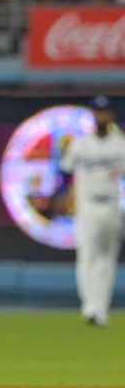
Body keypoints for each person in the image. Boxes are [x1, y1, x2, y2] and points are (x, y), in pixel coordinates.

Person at [60, 95, 125, 327]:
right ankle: (90, 308)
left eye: (105, 112)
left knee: (107, 259)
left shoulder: (120, 143)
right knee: (87, 257)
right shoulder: (81, 144)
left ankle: (101, 309)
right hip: (87, 206)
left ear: (110, 115)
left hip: (111, 205)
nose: (101, 116)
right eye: (98, 112)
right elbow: (65, 170)